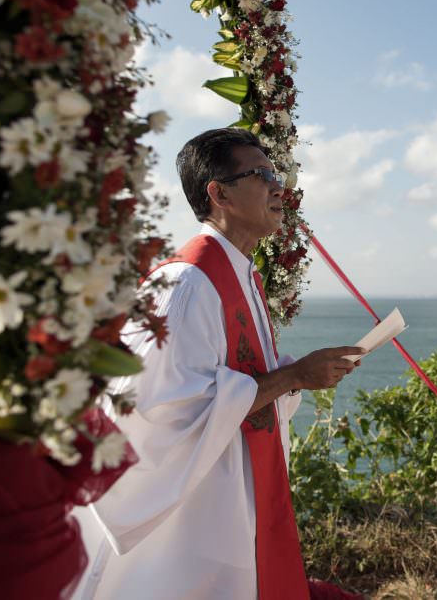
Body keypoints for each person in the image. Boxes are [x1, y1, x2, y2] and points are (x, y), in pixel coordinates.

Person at [74, 128, 364, 599]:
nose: (278, 186)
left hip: (229, 497)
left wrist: (297, 379)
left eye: (277, 174)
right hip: (188, 518)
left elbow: (239, 384)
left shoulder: (240, 274)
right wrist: (291, 376)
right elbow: (150, 410)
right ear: (219, 193)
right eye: (262, 174)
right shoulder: (184, 285)